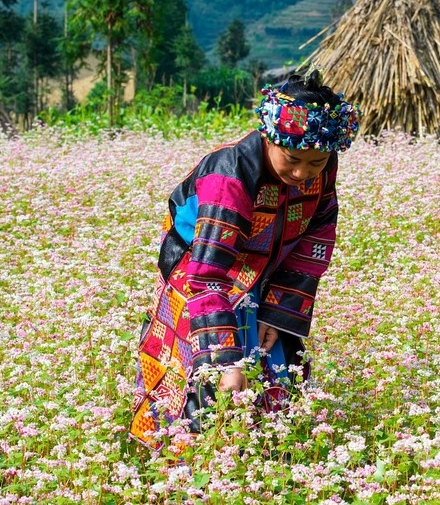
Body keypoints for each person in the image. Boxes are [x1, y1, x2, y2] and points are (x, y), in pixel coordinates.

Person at [130, 71, 360, 449]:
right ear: (270, 138)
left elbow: (315, 238)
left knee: (276, 359)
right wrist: (226, 362)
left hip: (264, 272)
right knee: (203, 379)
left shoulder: (321, 167)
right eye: (292, 159)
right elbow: (206, 275)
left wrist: (277, 310)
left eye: (316, 163)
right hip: (198, 269)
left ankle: (267, 455)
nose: (303, 174)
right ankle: (186, 468)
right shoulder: (230, 173)